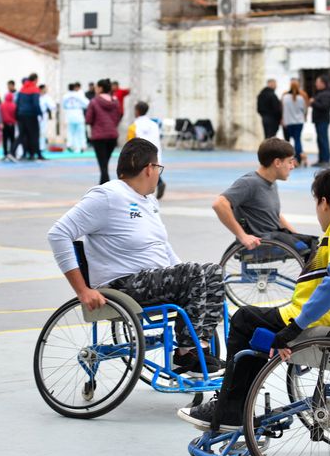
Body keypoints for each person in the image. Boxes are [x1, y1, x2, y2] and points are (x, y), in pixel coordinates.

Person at [178, 167, 330, 429]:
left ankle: (231, 409)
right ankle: (240, 403)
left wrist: (296, 326)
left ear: (323, 202)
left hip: (319, 321)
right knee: (258, 323)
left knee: (243, 320)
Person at [47, 138, 225, 375]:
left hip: (155, 279)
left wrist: (195, 276)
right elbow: (58, 233)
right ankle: (185, 353)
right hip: (124, 283)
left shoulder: (149, 201)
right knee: (195, 274)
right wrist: (82, 290)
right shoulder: (107, 196)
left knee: (213, 272)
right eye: (158, 168)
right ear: (149, 169)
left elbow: (162, 246)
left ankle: (198, 347)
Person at [212, 137, 318, 255]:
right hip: (262, 242)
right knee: (310, 250)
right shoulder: (250, 183)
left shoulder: (272, 182)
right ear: (277, 162)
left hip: (275, 237)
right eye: (290, 161)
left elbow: (276, 216)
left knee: (314, 244)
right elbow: (219, 204)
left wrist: (296, 235)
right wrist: (243, 236)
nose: (292, 166)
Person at [126, 101, 166, 199]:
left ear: (137, 111)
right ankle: (158, 184)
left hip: (140, 155)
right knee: (151, 171)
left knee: (139, 175)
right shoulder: (154, 124)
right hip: (155, 153)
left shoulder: (133, 126)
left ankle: (141, 193)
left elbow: (130, 143)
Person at [85, 78, 122, 184]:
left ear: (100, 88)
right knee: (105, 163)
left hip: (99, 136)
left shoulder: (94, 101)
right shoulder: (115, 102)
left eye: (97, 87)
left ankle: (105, 185)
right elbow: (118, 117)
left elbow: (88, 119)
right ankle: (103, 184)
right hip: (112, 136)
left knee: (102, 164)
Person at [16, 73, 43, 160]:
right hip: (31, 115)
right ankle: (37, 154)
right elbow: (36, 104)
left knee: (24, 135)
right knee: (34, 135)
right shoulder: (35, 89)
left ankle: (25, 153)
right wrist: (39, 113)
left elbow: (18, 102)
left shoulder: (22, 89)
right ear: (35, 79)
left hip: (21, 115)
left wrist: (18, 114)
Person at [281, 79, 307, 167]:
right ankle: (299, 158)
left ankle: (289, 159)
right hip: (299, 122)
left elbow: (283, 110)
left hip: (288, 122)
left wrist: (283, 120)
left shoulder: (285, 97)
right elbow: (304, 110)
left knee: (288, 142)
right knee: (297, 140)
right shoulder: (301, 98)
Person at [311, 75, 330, 167]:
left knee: (323, 140)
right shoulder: (320, 93)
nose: (316, 84)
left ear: (323, 83)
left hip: (322, 120)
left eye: (318, 82)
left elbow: (324, 106)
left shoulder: (326, 94)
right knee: (320, 140)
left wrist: (313, 102)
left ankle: (326, 160)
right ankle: (321, 159)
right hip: (319, 120)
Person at [62, 83, 89, 153]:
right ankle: (82, 146)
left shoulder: (65, 96)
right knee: (80, 131)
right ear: (74, 88)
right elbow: (87, 103)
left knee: (70, 131)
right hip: (78, 113)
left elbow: (64, 105)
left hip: (69, 113)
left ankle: (70, 145)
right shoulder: (78, 95)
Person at [38, 84, 57, 152]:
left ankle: (41, 147)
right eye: (45, 89)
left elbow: (53, 106)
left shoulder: (47, 97)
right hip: (36, 115)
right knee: (36, 132)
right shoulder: (36, 96)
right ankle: (35, 146)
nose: (46, 90)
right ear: (42, 89)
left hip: (43, 115)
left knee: (43, 131)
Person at [0, 92, 17, 160]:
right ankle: (12, 153)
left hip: (4, 124)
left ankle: (5, 153)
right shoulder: (14, 105)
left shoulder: (2, 105)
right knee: (12, 139)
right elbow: (15, 114)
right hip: (12, 124)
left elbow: (0, 114)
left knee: (5, 140)